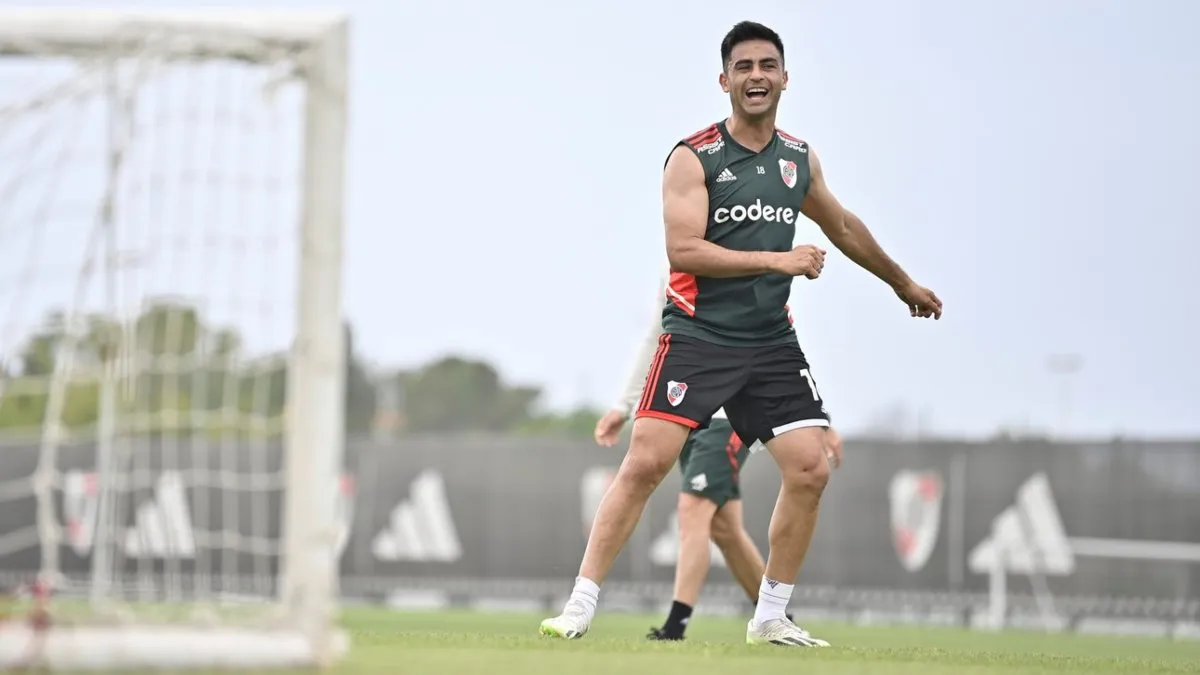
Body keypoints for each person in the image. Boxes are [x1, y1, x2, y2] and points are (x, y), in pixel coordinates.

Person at [541, 20, 942, 647]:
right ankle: (579, 605)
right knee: (647, 461)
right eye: (745, 67)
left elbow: (842, 225)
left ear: (785, 78)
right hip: (700, 335)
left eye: (768, 65)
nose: (757, 76)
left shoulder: (797, 159)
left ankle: (770, 615)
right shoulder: (693, 156)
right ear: (724, 80)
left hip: (769, 342)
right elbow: (684, 251)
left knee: (810, 469)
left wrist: (902, 283)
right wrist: (778, 261)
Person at [592, 279, 845, 641]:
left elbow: (778, 343)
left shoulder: (752, 248)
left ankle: (675, 626)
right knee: (724, 529)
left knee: (693, 510)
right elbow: (657, 333)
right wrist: (624, 405)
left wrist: (821, 419)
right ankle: (774, 616)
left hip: (728, 414)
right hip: (685, 406)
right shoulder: (678, 258)